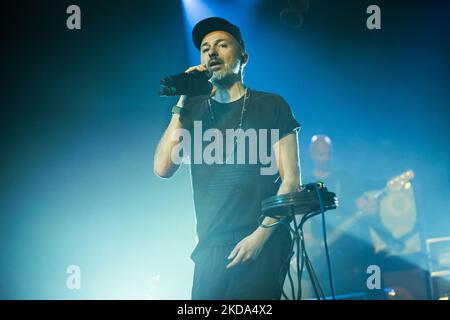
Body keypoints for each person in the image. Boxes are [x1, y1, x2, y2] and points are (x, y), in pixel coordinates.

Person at [154, 17, 301, 300]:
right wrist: (184, 101)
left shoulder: (272, 105)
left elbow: (292, 180)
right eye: (205, 48)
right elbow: (162, 168)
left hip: (262, 239)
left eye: (222, 45)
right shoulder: (192, 112)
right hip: (209, 248)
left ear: (243, 58)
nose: (211, 52)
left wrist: (261, 236)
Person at [301, 134, 378, 299]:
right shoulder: (308, 183)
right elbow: (304, 218)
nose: (325, 158)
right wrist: (308, 239)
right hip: (322, 257)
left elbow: (362, 203)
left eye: (328, 153)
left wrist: (370, 207)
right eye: (321, 154)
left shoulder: (344, 177)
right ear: (312, 154)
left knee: (355, 292)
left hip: (348, 250)